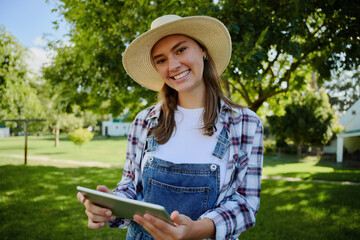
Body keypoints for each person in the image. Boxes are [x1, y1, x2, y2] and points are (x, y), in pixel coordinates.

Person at [77, 14, 263, 240]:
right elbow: (131, 188)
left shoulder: (245, 123)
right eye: (161, 59)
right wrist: (110, 207)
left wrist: (197, 229)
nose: (173, 65)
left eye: (180, 50)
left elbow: (245, 204)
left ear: (203, 50)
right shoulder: (144, 121)